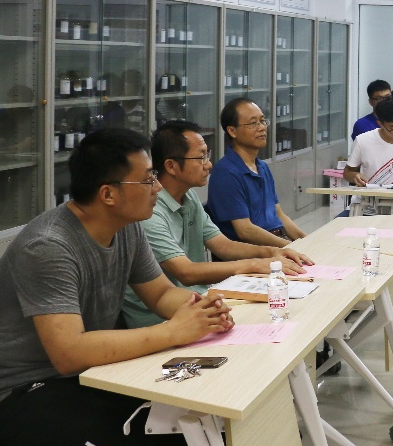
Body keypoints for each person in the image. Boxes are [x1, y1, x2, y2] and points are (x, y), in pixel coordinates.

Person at [0, 128, 234, 446]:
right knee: (118, 442)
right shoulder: (49, 246)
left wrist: (201, 311)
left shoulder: (126, 228)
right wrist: (173, 332)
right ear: (108, 194)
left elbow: (161, 294)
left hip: (72, 379)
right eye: (147, 179)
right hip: (7, 397)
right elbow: (68, 353)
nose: (157, 186)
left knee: (173, 418)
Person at [122, 121, 311, 328]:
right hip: (161, 319)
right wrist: (256, 263)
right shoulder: (150, 213)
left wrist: (271, 252)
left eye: (207, 155)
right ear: (171, 166)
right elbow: (186, 272)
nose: (209, 164)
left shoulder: (189, 197)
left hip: (199, 298)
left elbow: (222, 245)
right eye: (201, 157)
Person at [207, 98, 306, 246]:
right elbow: (245, 230)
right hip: (253, 251)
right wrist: (289, 247)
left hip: (277, 242)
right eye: (253, 123)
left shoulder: (262, 167)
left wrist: (307, 241)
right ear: (232, 131)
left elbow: (278, 214)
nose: (262, 128)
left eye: (263, 121)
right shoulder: (226, 173)